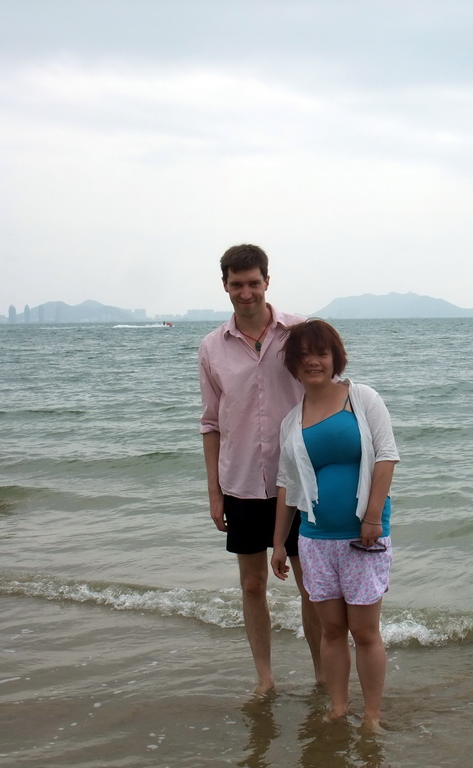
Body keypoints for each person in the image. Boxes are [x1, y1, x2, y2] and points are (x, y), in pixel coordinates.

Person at [199, 244, 322, 695]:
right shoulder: (212, 347)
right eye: (237, 284)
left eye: (253, 283)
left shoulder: (300, 332)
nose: (245, 292)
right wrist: (214, 492)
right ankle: (265, 680)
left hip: (303, 482)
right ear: (226, 286)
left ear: (267, 282)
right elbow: (211, 422)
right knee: (252, 585)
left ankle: (322, 677)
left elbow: (327, 396)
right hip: (243, 482)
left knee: (313, 588)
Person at [271, 319, 399, 729]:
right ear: (293, 363)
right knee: (330, 630)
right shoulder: (291, 421)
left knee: (365, 632)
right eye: (304, 355)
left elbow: (386, 456)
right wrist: (278, 544)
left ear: (335, 358)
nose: (314, 361)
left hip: (364, 538)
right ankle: (340, 707)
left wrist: (373, 517)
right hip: (314, 539)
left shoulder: (361, 398)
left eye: (322, 353)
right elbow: (288, 487)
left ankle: (373, 716)